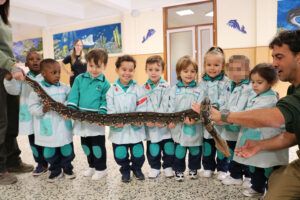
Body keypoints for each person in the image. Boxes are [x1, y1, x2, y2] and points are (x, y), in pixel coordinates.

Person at [192, 30, 300, 200]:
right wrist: (260, 145)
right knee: (273, 184)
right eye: (273, 57)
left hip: (234, 126)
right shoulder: (293, 88)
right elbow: (291, 135)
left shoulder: (264, 94)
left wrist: (224, 117)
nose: (274, 63)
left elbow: (275, 117)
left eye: (279, 57)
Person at [234, 63, 289, 198]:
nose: (254, 85)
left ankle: (270, 190)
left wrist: (234, 116)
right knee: (254, 165)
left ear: (270, 83)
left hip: (265, 139)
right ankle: (257, 187)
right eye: (252, 82)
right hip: (254, 136)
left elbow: (252, 114)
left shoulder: (269, 98)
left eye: (259, 82)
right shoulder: (255, 95)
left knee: (267, 167)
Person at [0, 0, 33, 185]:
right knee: (1, 121)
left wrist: (14, 65)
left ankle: (12, 160)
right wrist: (9, 65)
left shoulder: (3, 17)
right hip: (2, 69)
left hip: (7, 71)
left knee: (12, 118)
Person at [28, 59, 75, 182]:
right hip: (47, 127)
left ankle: (68, 168)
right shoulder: (38, 90)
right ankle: (55, 171)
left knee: (67, 150)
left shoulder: (65, 88)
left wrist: (65, 106)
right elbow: (32, 107)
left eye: (59, 72)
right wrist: (43, 109)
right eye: (53, 73)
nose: (58, 75)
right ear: (43, 74)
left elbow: (71, 101)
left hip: (63, 126)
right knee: (49, 152)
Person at [67, 49, 110, 180]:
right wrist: (71, 109)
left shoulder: (105, 83)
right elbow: (74, 95)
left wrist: (102, 113)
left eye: (98, 66)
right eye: (91, 66)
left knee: (97, 146)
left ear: (104, 66)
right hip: (81, 119)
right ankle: (91, 166)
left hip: (96, 121)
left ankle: (101, 169)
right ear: (87, 64)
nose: (94, 69)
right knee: (86, 145)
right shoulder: (79, 79)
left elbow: (105, 99)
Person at [4, 50, 49, 176]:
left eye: (38, 59)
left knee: (46, 139)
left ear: (42, 62)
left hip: (43, 116)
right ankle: (40, 163)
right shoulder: (23, 79)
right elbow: (13, 91)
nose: (35, 61)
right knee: (33, 142)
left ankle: (51, 162)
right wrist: (9, 79)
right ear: (26, 64)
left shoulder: (46, 77)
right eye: (31, 59)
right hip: (29, 116)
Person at [106, 55, 147, 183]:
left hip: (135, 129)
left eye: (131, 70)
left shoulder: (138, 89)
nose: (127, 73)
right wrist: (114, 120)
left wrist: (139, 117)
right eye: (124, 69)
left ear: (134, 71)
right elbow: (110, 108)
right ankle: (125, 171)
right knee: (120, 154)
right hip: (118, 131)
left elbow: (142, 106)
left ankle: (137, 169)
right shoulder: (111, 90)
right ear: (117, 70)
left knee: (138, 153)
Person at [167, 55, 204, 182]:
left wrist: (196, 119)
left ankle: (193, 169)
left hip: (195, 126)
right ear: (179, 73)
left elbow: (202, 108)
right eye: (185, 71)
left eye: (192, 71)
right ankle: (178, 170)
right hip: (179, 127)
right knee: (180, 150)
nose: (189, 74)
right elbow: (170, 106)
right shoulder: (173, 90)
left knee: (195, 149)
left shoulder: (200, 90)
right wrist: (171, 120)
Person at [217, 55, 252, 187]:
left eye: (238, 69)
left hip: (242, 128)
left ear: (248, 71)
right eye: (231, 69)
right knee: (232, 153)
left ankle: (249, 176)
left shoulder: (248, 88)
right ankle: (235, 175)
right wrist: (216, 108)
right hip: (228, 128)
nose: (234, 72)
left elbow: (241, 108)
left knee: (244, 152)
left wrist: (223, 117)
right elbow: (222, 100)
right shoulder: (228, 85)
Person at [198, 47, 230, 180]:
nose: (212, 68)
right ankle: (208, 167)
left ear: (222, 66)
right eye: (209, 65)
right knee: (208, 146)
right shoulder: (202, 82)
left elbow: (226, 98)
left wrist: (215, 108)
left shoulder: (226, 82)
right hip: (206, 120)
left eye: (216, 65)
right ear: (204, 66)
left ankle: (223, 168)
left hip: (219, 119)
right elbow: (199, 97)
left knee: (220, 145)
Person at [142, 55, 174, 179]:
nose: (153, 72)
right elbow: (142, 105)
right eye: (150, 69)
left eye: (157, 69)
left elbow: (168, 104)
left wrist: (162, 120)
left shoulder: (167, 87)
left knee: (168, 147)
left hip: (164, 125)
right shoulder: (143, 88)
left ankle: (168, 166)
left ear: (162, 71)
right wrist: (147, 120)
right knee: (153, 148)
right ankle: (154, 167)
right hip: (150, 125)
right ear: (146, 70)